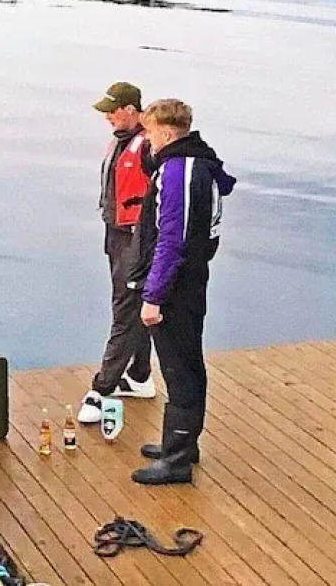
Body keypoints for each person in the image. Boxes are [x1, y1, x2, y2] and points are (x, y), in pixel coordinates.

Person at [129, 100, 235, 485]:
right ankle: (183, 443)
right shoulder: (197, 163)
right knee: (186, 361)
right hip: (189, 281)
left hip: (178, 287)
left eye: (152, 133)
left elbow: (173, 238)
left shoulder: (179, 171)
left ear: (168, 133)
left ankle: (176, 461)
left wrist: (154, 295)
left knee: (179, 367)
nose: (148, 141)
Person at [77, 82, 155, 425]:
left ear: (131, 109)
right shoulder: (120, 141)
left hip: (136, 238)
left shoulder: (148, 146)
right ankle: (139, 376)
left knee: (126, 310)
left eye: (113, 110)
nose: (107, 116)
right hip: (116, 233)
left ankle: (102, 389)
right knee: (126, 303)